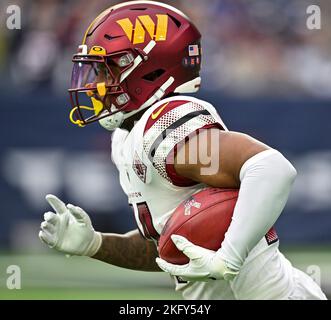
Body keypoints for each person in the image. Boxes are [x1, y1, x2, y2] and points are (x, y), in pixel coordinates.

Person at [39, 1, 326, 300]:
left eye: (106, 71)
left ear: (148, 70)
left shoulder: (165, 128)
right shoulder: (129, 137)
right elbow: (171, 247)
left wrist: (229, 257)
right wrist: (95, 244)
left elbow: (272, 168)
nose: (96, 85)